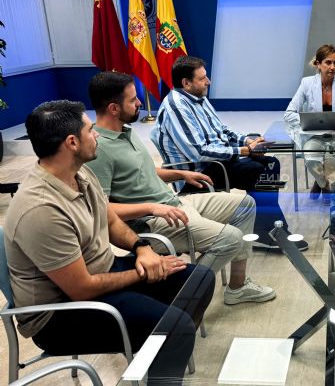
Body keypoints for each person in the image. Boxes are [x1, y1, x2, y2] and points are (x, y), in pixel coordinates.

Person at [4, 100, 214, 384]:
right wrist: (143, 271)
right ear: (72, 142)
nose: (97, 135)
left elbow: (111, 220)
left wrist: (143, 249)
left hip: (102, 274)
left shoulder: (78, 172)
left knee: (199, 279)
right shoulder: (41, 209)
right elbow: (81, 288)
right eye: (91, 130)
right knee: (176, 328)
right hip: (60, 314)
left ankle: (156, 349)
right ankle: (164, 343)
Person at [86, 72, 275, 305]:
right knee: (230, 239)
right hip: (151, 221)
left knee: (245, 205)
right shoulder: (98, 150)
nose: (139, 104)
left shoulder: (126, 131)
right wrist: (152, 208)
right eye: (133, 100)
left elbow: (143, 171)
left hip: (174, 204)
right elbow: (100, 209)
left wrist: (179, 173)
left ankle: (236, 287)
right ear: (114, 108)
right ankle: (185, 298)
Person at [151, 56, 307, 251]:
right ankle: (268, 231)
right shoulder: (177, 106)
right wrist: (244, 151)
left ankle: (268, 228)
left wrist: (248, 142)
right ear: (186, 83)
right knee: (257, 171)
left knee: (269, 164)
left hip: (216, 163)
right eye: (202, 78)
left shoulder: (198, 98)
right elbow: (199, 151)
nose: (208, 82)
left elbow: (222, 130)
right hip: (198, 174)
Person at [284, 44, 335, 204]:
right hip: (313, 136)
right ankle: (325, 186)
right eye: (328, 62)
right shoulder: (307, 83)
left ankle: (318, 181)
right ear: (318, 64)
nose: (332, 67)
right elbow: (288, 114)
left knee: (333, 162)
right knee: (311, 159)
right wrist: (309, 119)